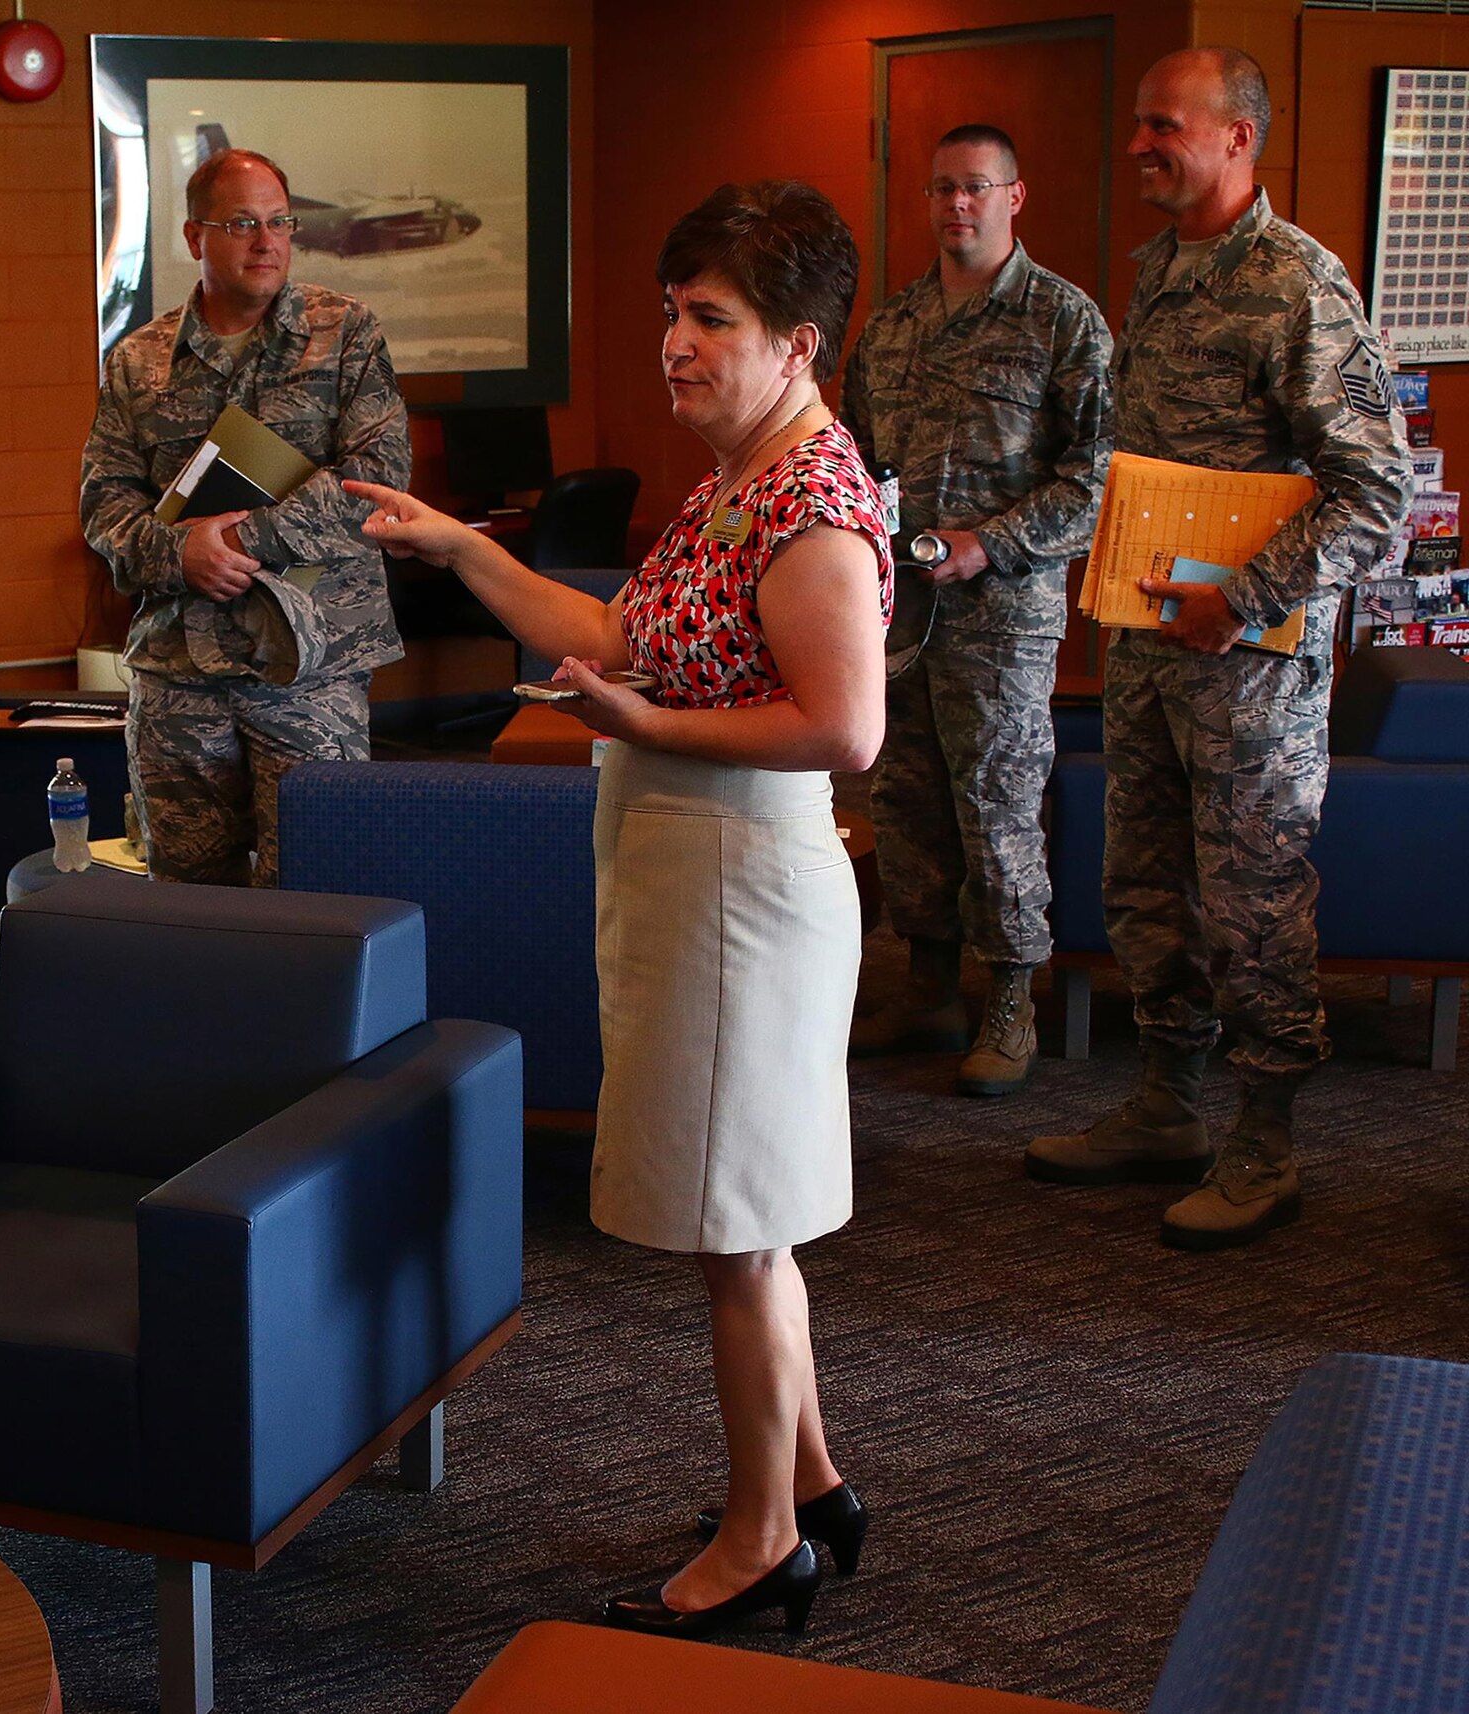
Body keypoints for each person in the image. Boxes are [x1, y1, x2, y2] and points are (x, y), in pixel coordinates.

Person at [348, 180, 889, 1638]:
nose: (675, 344)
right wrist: (462, 548)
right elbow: (616, 634)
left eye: (711, 319)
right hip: (693, 875)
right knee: (751, 1216)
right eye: (671, 314)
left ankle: (765, 1540)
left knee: (740, 1230)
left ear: (799, 343)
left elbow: (846, 730)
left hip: (745, 895)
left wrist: (640, 725)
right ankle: (816, 1479)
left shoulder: (811, 501)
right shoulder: (734, 478)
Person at [1026, 49, 1411, 1248]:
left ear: (1237, 138)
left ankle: (1264, 1143)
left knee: (1249, 907)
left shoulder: (1298, 285)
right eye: (1136, 123)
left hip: (1246, 669)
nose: (1136, 144)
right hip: (1150, 652)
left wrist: (1240, 598)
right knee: (1143, 892)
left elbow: (1375, 492)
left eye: (1161, 125)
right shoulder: (1161, 271)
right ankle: (1165, 1105)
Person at [844, 125, 1113, 1096]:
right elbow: (857, 460)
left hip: (1003, 613)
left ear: (1014, 195)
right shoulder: (891, 325)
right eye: (938, 189)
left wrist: (986, 543)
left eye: (973, 188)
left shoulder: (1061, 321)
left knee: (995, 801)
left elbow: (1091, 481)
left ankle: (1008, 998)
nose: (954, 205)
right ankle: (924, 986)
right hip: (899, 606)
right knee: (903, 794)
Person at [79, 146, 409, 885]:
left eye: (280, 221)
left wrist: (234, 540)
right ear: (196, 238)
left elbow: (376, 478)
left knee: (320, 889)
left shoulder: (346, 332)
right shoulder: (139, 361)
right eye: (242, 224)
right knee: (191, 900)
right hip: (180, 671)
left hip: (310, 665)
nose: (267, 241)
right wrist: (178, 556)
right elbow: (105, 504)